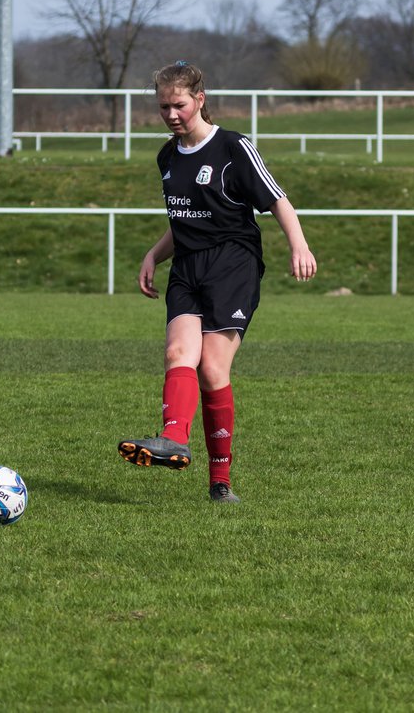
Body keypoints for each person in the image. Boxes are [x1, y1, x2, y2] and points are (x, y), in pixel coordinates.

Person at [117, 61, 317, 503]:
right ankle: (173, 438)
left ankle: (220, 481)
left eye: (179, 105)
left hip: (233, 264)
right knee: (178, 353)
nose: (171, 114)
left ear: (200, 100)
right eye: (163, 107)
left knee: (211, 369)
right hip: (187, 267)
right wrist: (154, 254)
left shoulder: (233, 147)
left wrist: (299, 245)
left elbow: (277, 200)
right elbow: (184, 220)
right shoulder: (167, 157)